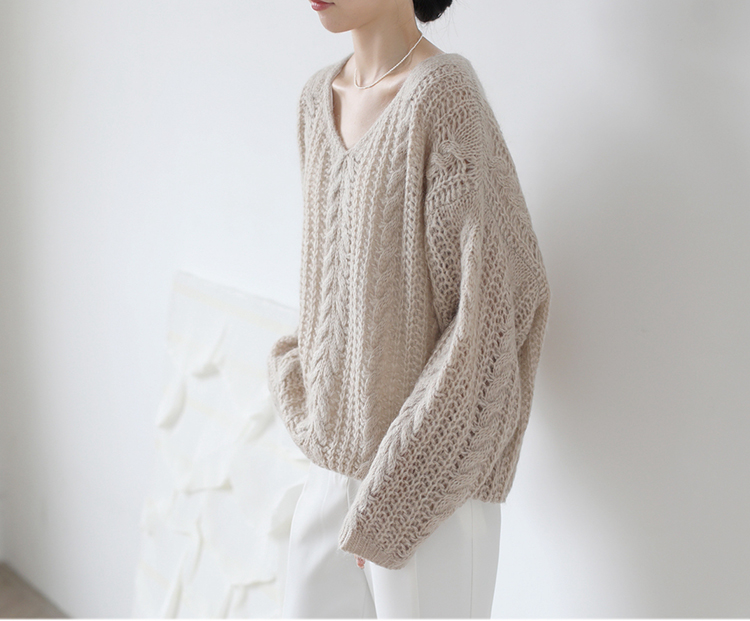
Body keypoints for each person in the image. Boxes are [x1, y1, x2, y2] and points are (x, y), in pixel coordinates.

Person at [267, 0, 550, 616]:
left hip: (431, 493)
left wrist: (401, 493)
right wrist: (301, 387)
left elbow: (497, 307)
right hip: (329, 477)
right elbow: (333, 287)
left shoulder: (443, 97)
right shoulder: (316, 100)